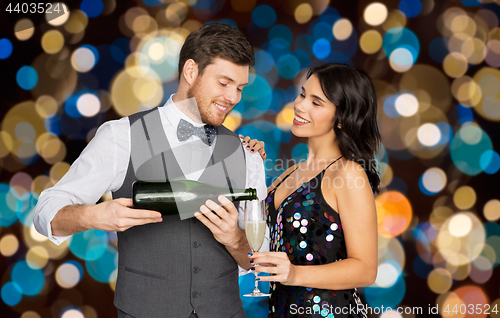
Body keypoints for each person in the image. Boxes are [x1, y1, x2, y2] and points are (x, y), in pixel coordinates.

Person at [33, 23, 268, 318]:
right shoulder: (121, 136)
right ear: (191, 71)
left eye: (240, 88)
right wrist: (94, 215)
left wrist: (235, 238)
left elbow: (259, 259)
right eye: (224, 83)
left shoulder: (248, 155)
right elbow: (45, 213)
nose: (233, 97)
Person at [242, 63, 380, 317]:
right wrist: (250, 163)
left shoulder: (348, 173)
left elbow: (366, 270)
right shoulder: (288, 173)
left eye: (316, 103)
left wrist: (295, 274)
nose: (299, 105)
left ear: (341, 117)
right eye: (303, 94)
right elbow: (257, 238)